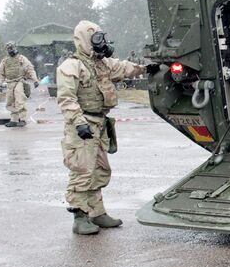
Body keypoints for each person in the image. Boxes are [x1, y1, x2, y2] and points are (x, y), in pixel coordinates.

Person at [56, 20, 159, 235]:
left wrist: (146, 68)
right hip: (83, 126)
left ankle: (97, 212)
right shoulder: (71, 66)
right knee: (82, 171)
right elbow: (66, 99)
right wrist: (79, 123)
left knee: (100, 169)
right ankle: (80, 217)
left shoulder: (101, 63)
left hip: (100, 123)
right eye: (96, 39)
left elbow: (122, 67)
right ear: (84, 40)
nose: (101, 43)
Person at [0, 41, 39, 127]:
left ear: (15, 48)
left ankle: (23, 119)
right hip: (10, 82)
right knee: (10, 101)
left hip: (20, 81)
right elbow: (1, 73)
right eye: (9, 48)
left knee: (19, 98)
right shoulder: (5, 60)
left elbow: (30, 69)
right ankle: (14, 120)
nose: (10, 50)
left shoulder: (22, 58)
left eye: (11, 48)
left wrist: (35, 80)